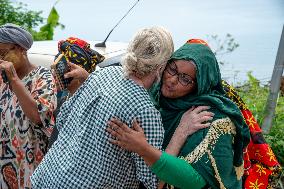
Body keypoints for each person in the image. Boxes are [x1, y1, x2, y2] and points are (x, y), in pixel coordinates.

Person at [31, 26, 195, 189]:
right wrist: (181, 132)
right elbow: (155, 182)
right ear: (161, 66)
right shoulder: (145, 111)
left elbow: (63, 120)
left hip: (46, 178)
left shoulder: (102, 74)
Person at [107, 40, 251, 189]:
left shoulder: (211, 118)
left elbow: (195, 181)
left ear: (199, 85)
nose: (172, 80)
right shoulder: (155, 94)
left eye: (185, 79)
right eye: (172, 69)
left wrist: (144, 148)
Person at [0, 23, 57, 189]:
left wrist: (14, 80)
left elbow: (39, 117)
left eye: (3, 53)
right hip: (5, 168)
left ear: (21, 50)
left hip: (30, 167)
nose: (1, 60)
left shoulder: (43, 77)